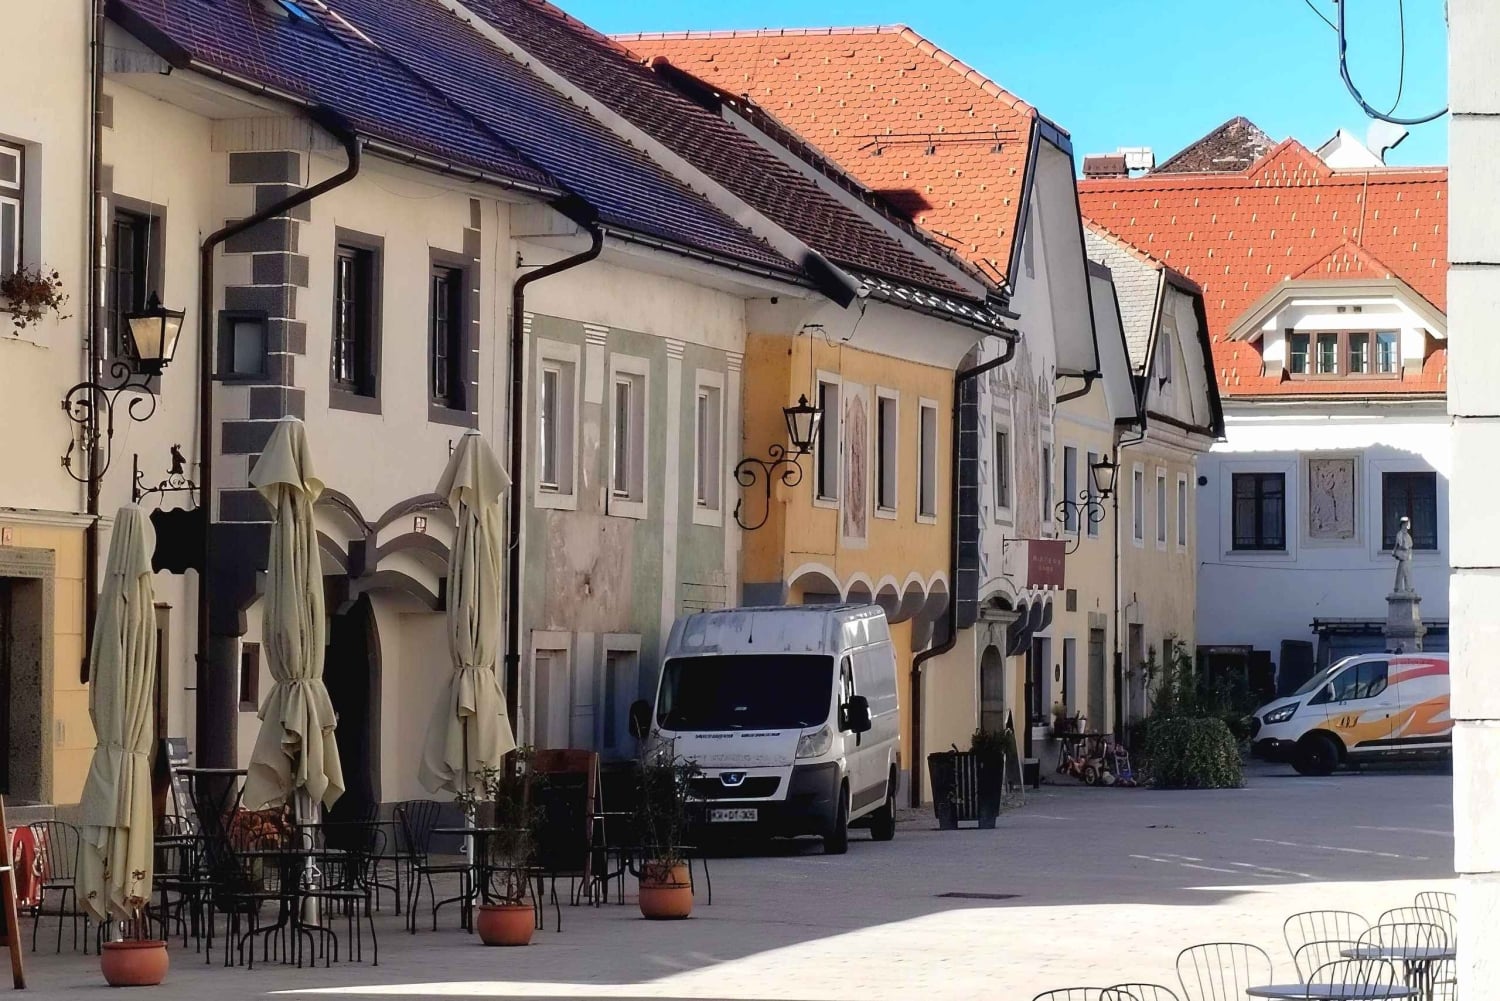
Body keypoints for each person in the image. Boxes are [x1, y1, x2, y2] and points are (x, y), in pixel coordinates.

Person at [1393, 515, 1415, 594]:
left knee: (1404, 571)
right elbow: (1400, 544)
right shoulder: (1400, 534)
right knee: (1403, 572)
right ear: (1402, 525)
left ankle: (1403, 587)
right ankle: (1401, 588)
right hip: (1403, 556)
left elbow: (1410, 545)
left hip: (1407, 556)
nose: (1406, 526)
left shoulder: (1407, 535)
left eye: (1407, 524)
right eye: (1405, 524)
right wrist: (1405, 546)